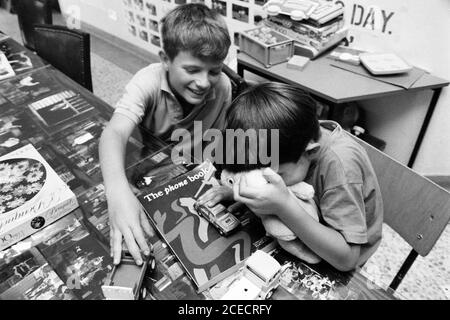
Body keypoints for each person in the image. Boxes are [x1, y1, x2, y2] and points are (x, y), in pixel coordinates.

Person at [198, 82, 383, 271]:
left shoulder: (341, 168)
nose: (263, 178)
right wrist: (237, 189)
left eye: (277, 175)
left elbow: (347, 259)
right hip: (306, 223)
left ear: (310, 152)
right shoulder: (294, 134)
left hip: (337, 254)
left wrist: (284, 206)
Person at [99, 3, 232, 266]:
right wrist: (116, 191)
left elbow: (221, 141)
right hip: (149, 171)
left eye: (214, 71)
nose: (204, 82)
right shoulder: (146, 81)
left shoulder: (223, 87)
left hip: (194, 174)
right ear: (165, 60)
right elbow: (114, 133)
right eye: (192, 70)